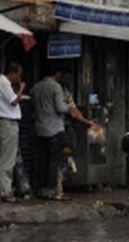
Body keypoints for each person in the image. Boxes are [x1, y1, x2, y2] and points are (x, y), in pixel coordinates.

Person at [30, 65, 99, 201]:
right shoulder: (55, 87)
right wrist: (69, 107)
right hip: (55, 130)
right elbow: (61, 108)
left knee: (43, 160)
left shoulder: (35, 88)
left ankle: (42, 189)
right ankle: (54, 190)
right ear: (57, 73)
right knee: (55, 160)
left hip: (40, 130)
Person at [0, 62, 25, 203]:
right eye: (18, 75)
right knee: (6, 158)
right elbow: (14, 101)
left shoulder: (3, 83)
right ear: (12, 73)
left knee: (6, 156)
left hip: (7, 122)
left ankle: (4, 189)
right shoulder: (3, 83)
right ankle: (5, 191)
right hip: (6, 122)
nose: (19, 78)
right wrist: (21, 89)